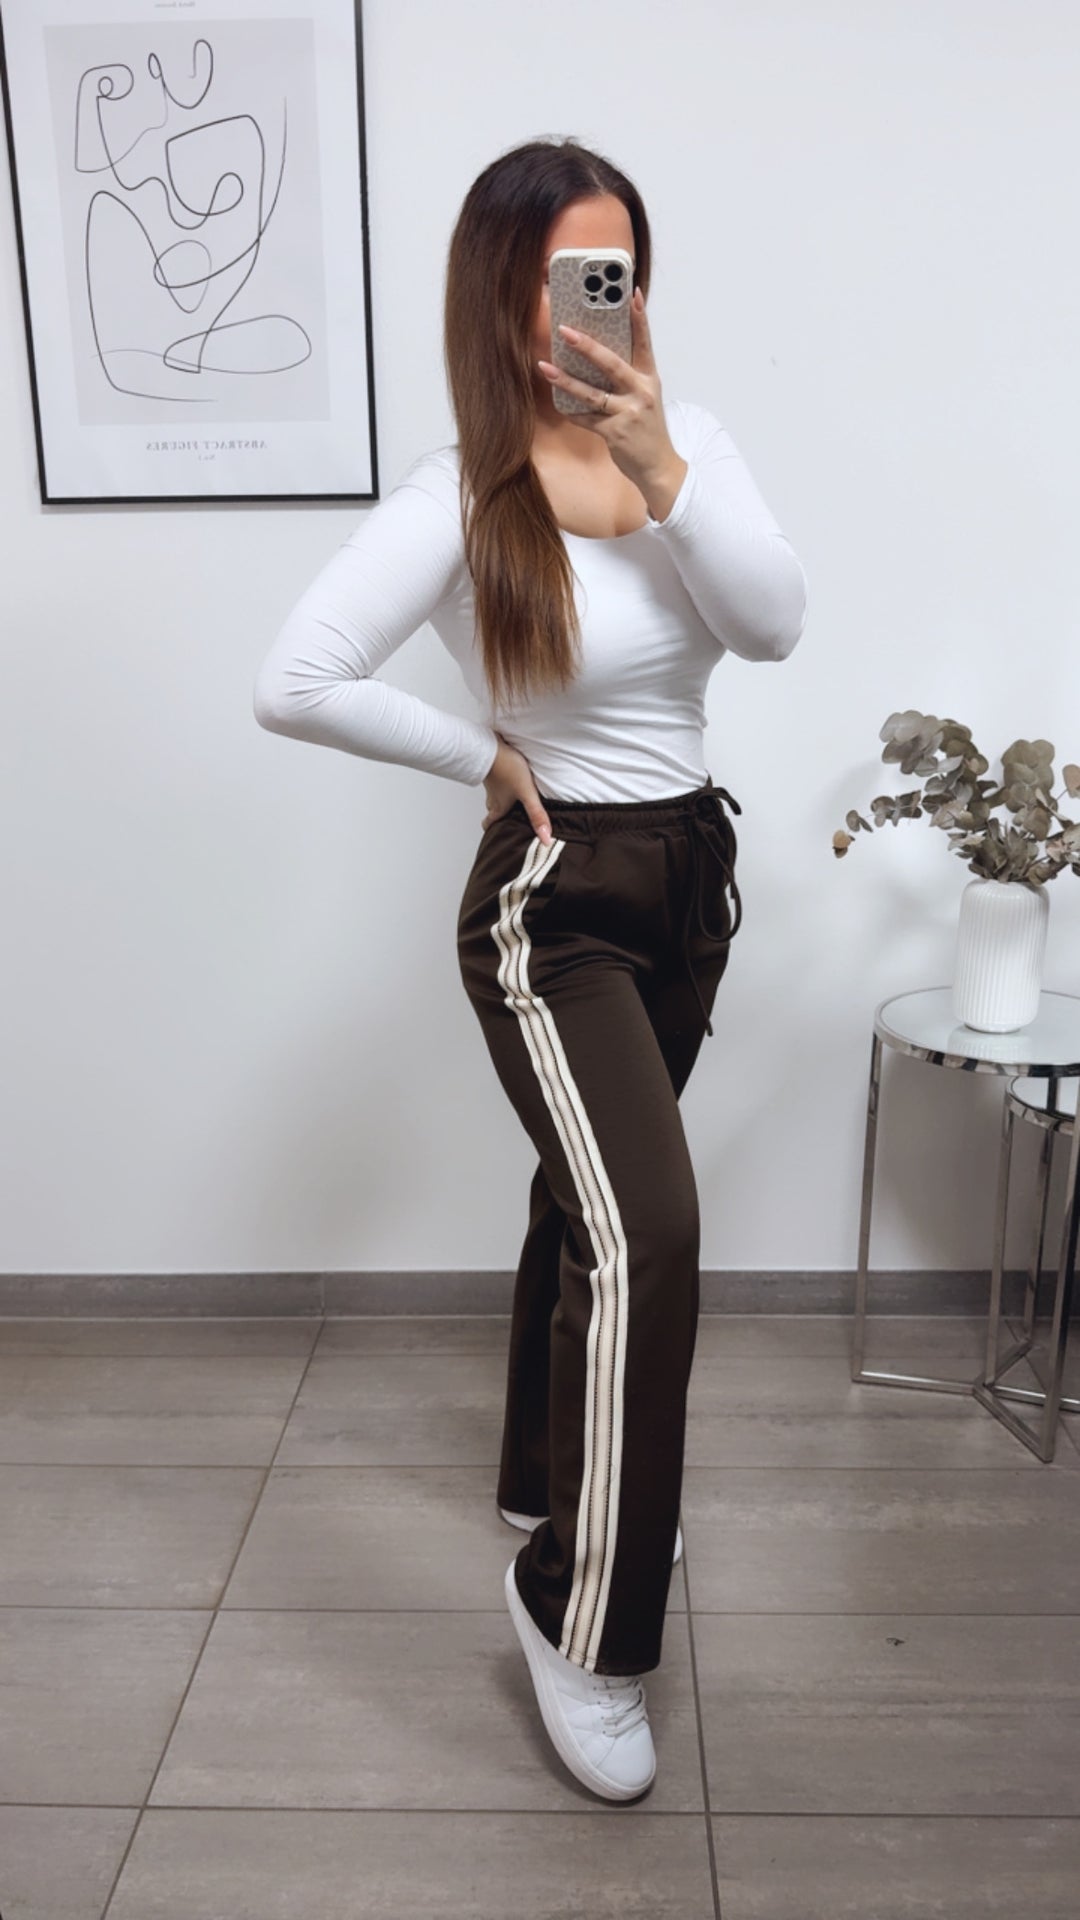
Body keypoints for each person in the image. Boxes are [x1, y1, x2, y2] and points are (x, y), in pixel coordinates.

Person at [253, 136, 808, 1803]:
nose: (595, 306)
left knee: (590, 1204)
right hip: (554, 906)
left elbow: (775, 624)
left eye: (617, 273)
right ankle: (581, 1618)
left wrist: (663, 464)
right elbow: (297, 677)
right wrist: (479, 759)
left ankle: (546, 1472)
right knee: (652, 1231)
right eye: (568, 276)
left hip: (689, 879)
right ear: (504, 299)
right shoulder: (459, 494)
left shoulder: (691, 445)